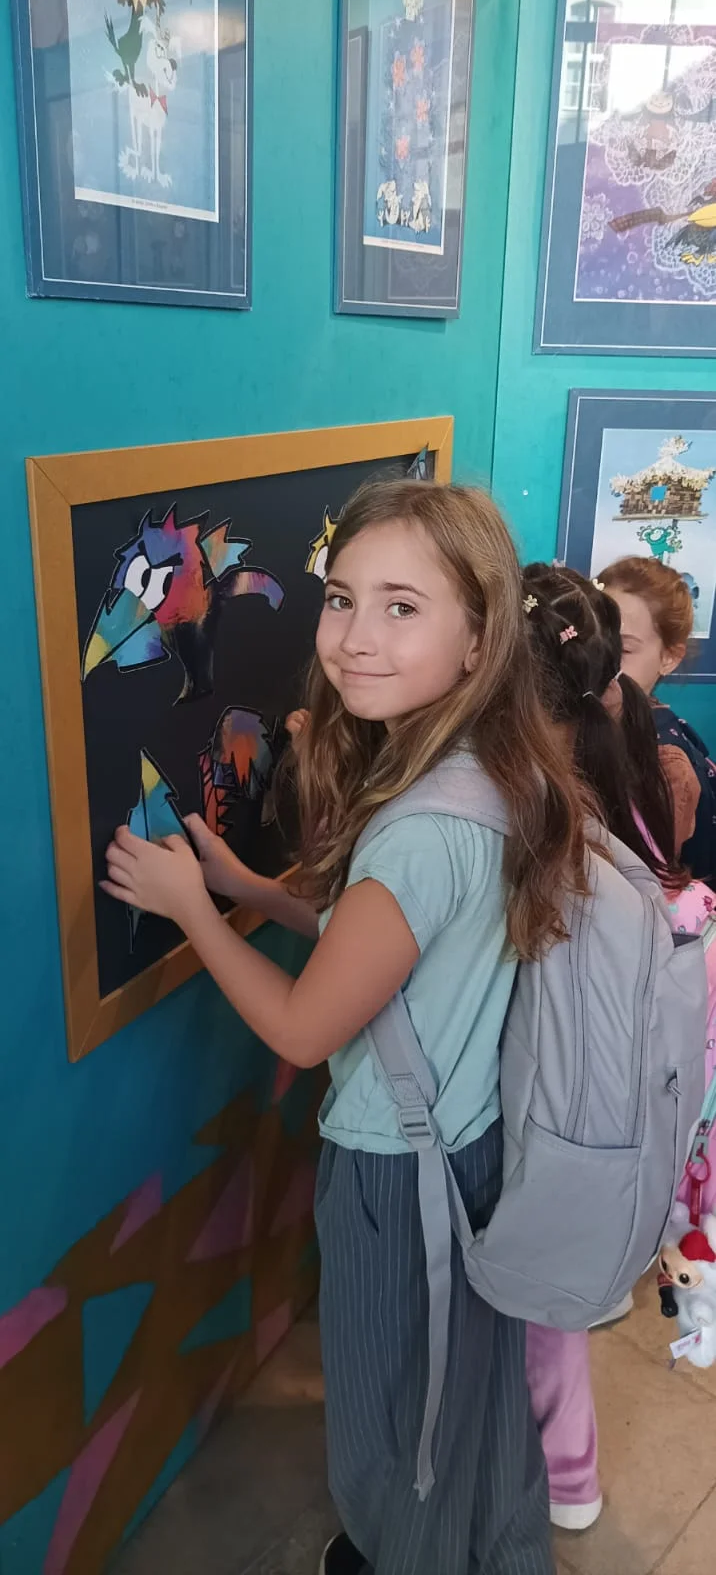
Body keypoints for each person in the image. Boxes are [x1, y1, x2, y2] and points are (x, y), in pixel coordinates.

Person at [104, 478, 591, 1575]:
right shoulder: (486, 767)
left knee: (392, 1420)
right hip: (466, 1146)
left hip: (396, 1179)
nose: (355, 638)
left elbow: (302, 1026)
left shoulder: (417, 830)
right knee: (461, 1396)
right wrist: (247, 887)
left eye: (401, 607)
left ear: (479, 639)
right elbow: (374, 938)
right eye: (341, 598)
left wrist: (192, 910)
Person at [520, 562, 688, 1533]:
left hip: (569, 1121)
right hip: (617, 1125)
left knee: (540, 1316)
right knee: (557, 1304)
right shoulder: (633, 772)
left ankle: (568, 1478)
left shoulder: (564, 828)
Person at [600, 557, 715, 884]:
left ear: (669, 657)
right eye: (596, 641)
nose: (602, 660)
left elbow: (647, 889)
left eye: (624, 649)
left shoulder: (665, 762)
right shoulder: (589, 723)